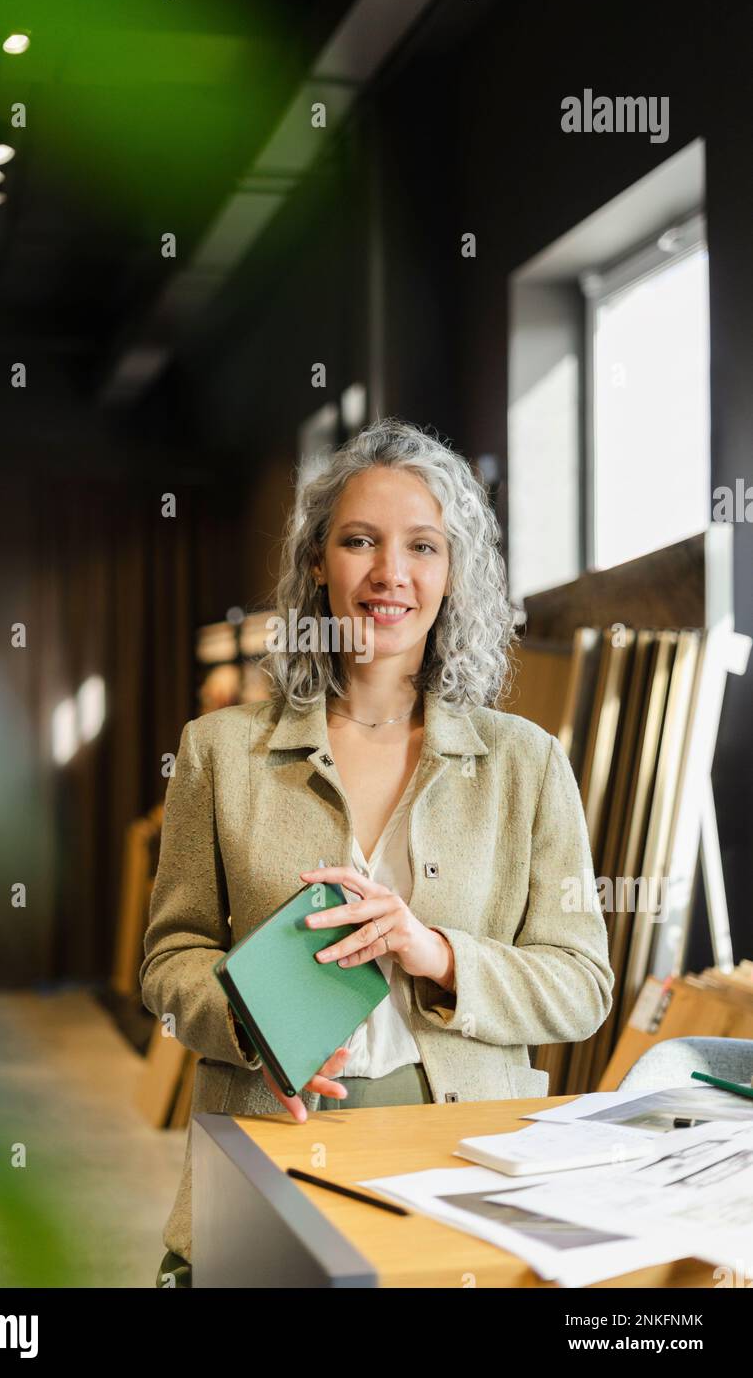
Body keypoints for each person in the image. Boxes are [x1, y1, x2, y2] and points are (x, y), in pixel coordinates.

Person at [141, 417, 614, 1288]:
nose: (390, 574)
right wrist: (252, 1026)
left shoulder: (526, 762)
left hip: (469, 1161)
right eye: (360, 541)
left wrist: (433, 954)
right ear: (317, 562)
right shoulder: (218, 752)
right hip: (271, 1142)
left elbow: (582, 984)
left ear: (453, 573)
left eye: (423, 547)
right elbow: (170, 961)